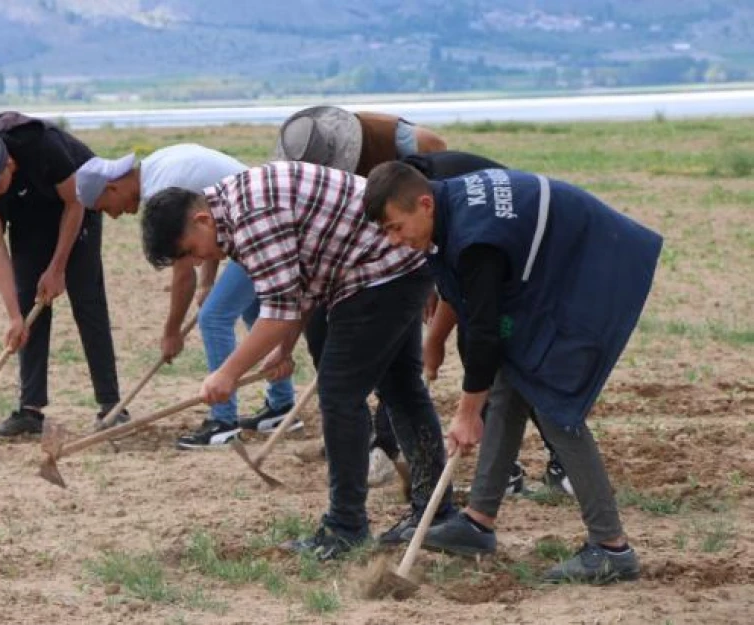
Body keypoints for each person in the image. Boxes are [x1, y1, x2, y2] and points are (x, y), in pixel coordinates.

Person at [363, 162, 662, 583]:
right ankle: (478, 521)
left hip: (592, 267)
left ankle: (612, 547)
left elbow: (484, 334)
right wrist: (435, 345)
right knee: (507, 384)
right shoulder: (447, 211)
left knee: (553, 400)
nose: (395, 240)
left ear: (424, 203)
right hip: (553, 266)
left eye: (396, 227)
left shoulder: (475, 238)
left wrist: (468, 414)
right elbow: (471, 312)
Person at [140, 161, 455, 560]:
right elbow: (297, 285)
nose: (200, 261)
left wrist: (226, 373)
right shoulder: (234, 211)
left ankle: (346, 528)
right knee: (400, 388)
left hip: (382, 269)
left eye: (191, 251)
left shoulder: (251, 217)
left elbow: (278, 311)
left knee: (341, 396)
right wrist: (283, 348)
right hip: (384, 267)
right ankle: (436, 511)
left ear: (202, 220)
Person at [278, 105, 571, 497]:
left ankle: (557, 460)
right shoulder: (383, 203)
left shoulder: (422, 169)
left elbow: (467, 274)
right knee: (472, 353)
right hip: (444, 249)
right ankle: (494, 463)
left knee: (494, 349)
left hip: (508, 253)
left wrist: (434, 336)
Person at [74, 144, 299, 449]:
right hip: (251, 224)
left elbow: (184, 270)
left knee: (214, 317)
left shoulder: (161, 191)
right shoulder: (155, 166)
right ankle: (282, 404)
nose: (112, 216)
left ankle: (223, 421)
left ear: (111, 187)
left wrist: (172, 333)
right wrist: (208, 283)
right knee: (254, 309)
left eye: (104, 207)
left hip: (258, 228)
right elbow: (207, 224)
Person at [276, 105, 448, 488]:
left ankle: (385, 447)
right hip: (350, 259)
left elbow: (436, 148)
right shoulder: (301, 158)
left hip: (404, 245)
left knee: (398, 372)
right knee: (326, 341)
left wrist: (429, 254)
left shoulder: (385, 134)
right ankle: (354, 436)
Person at [0, 111, 127, 440]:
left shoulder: (42, 145)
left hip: (75, 203)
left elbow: (75, 204)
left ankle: (111, 406)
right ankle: (30, 411)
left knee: (87, 299)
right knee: (27, 307)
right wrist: (13, 317)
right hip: (29, 216)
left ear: (10, 166)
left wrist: (58, 268)